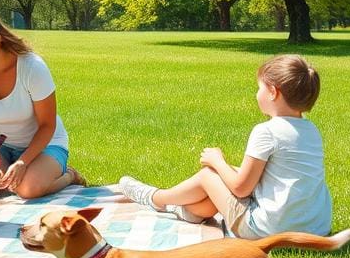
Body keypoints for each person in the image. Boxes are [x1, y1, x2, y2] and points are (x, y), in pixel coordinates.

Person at [119, 54, 331, 238]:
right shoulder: (311, 131)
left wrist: (217, 161)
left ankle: (157, 198)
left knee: (208, 175)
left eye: (259, 88)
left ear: (273, 92)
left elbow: (241, 188)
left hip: (269, 231)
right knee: (228, 178)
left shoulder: (266, 131)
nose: (256, 94)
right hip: (315, 228)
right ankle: (190, 212)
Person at [0, 6, 83, 199]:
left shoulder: (32, 67)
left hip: (44, 146)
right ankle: (0, 173)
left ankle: (70, 175)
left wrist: (22, 162)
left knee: (26, 189)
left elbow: (47, 125)